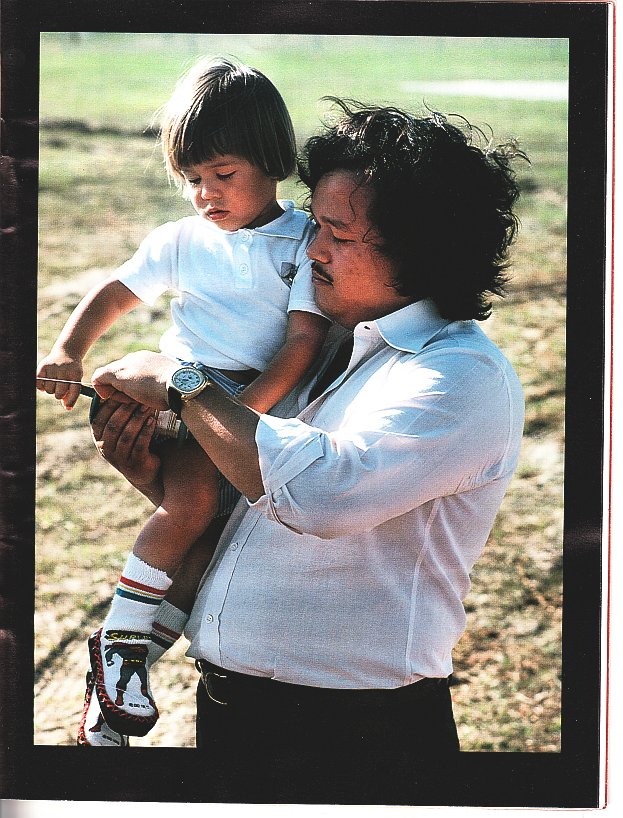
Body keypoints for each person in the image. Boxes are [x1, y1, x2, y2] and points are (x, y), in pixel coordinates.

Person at [90, 100, 526, 801]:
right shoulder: (317, 348)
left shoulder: (457, 376)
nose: (311, 250)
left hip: (355, 739)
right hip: (235, 715)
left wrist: (182, 386)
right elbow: (264, 505)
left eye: (336, 233)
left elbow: (320, 496)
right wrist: (162, 481)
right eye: (314, 225)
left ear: (418, 249)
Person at [35, 58, 329, 744]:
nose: (204, 195)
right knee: (189, 507)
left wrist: (241, 415)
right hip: (189, 391)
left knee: (209, 556)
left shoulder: (301, 243)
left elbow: (300, 345)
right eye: (192, 180)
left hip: (253, 402)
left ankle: (114, 694)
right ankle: (120, 642)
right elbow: (114, 291)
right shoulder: (180, 241)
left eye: (222, 176)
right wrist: (68, 350)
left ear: (271, 160)